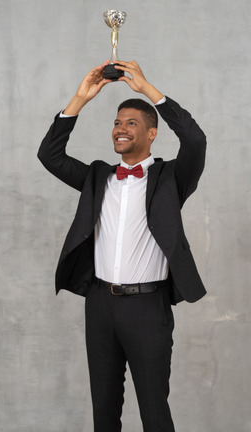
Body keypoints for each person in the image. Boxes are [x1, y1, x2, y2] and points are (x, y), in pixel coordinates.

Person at [38, 60, 207, 432]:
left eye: (131, 123)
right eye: (117, 122)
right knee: (104, 411)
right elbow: (49, 156)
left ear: (152, 134)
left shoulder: (170, 179)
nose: (121, 129)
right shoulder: (97, 177)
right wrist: (79, 100)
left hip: (148, 307)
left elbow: (195, 140)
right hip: (99, 305)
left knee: (154, 412)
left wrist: (147, 89)